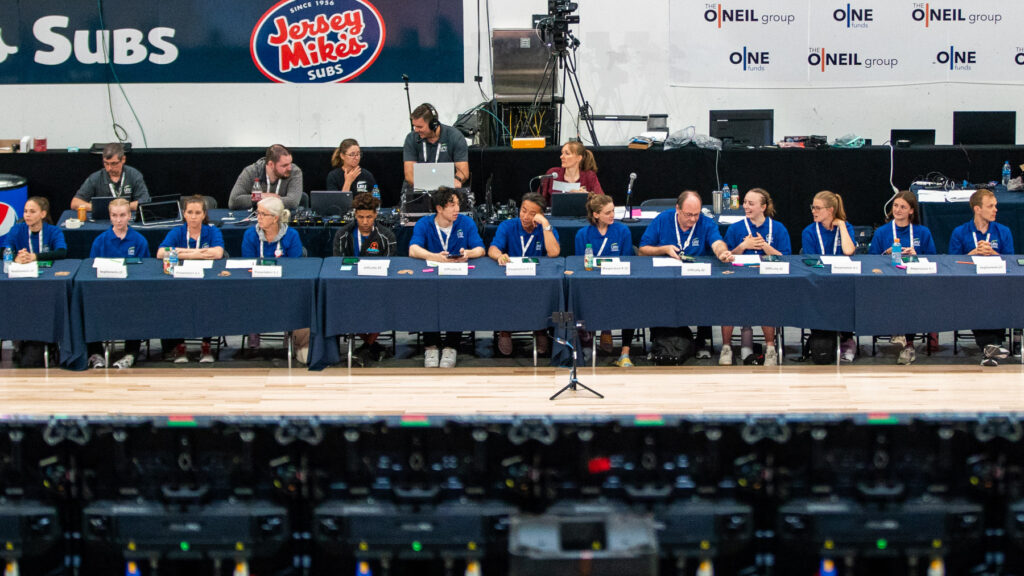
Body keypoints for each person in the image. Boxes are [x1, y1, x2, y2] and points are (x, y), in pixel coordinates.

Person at [639, 190, 735, 359]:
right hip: (665, 275)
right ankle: (659, 340)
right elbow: (643, 250)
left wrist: (722, 253)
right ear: (678, 209)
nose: (692, 219)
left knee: (706, 290)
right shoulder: (662, 220)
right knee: (652, 291)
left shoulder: (705, 222)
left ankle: (701, 340)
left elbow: (717, 242)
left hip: (696, 276)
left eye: (696, 215)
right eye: (688, 215)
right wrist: (664, 249)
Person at [408, 187, 485, 368]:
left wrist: (468, 253)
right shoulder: (424, 224)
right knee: (426, 298)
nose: (456, 209)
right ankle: (431, 346)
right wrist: (434, 256)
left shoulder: (466, 223)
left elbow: (480, 249)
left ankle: (451, 345)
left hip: (457, 278)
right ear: (439, 208)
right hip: (431, 278)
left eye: (457, 204)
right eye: (451, 205)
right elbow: (413, 249)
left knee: (457, 299)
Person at [720, 188, 792, 366]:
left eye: (751, 203)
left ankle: (770, 348)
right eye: (745, 202)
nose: (746, 206)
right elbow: (726, 256)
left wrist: (765, 247)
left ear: (763, 207)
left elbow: (786, 258)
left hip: (767, 280)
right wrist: (743, 245)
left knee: (766, 299)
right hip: (739, 278)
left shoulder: (778, 228)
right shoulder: (735, 228)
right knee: (726, 299)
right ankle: (726, 347)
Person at [868, 190, 937, 365]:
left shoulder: (923, 232)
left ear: (911, 211)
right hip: (887, 282)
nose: (898, 210)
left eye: (903, 207)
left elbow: (935, 260)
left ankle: (907, 342)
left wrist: (916, 255)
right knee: (898, 294)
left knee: (909, 295)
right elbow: (870, 260)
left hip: (915, 284)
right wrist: (887, 253)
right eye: (895, 206)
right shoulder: (882, 232)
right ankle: (903, 338)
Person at [948, 188, 1014, 366]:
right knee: (976, 299)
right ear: (977, 209)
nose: (995, 210)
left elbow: (1011, 262)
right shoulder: (960, 232)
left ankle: (990, 349)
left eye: (995, 206)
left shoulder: (1003, 231)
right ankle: (993, 347)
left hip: (997, 285)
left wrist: (993, 253)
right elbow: (951, 264)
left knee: (996, 298)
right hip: (970, 286)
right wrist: (971, 254)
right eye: (990, 206)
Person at [488, 192, 560, 356]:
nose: (526, 216)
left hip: (536, 279)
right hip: (512, 278)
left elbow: (554, 252)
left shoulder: (546, 229)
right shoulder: (508, 226)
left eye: (532, 213)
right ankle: (505, 330)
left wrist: (545, 225)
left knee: (543, 293)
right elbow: (492, 249)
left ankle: (540, 329)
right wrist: (499, 255)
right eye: (523, 210)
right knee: (503, 291)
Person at [156, 195, 226, 364]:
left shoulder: (212, 231)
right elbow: (160, 253)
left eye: (197, 212)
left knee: (208, 302)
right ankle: (179, 347)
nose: (193, 216)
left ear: (204, 214)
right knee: (174, 302)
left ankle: (206, 346)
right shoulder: (177, 232)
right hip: (180, 281)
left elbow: (218, 253)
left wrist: (180, 253)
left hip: (205, 282)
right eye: (190, 212)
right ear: (184, 214)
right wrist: (195, 253)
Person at [241, 196, 309, 364]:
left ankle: (291, 338)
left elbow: (295, 265)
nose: (259, 217)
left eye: (263, 214)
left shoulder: (291, 235)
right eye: (258, 213)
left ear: (275, 218)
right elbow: (248, 262)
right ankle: (253, 339)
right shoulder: (250, 234)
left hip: (284, 286)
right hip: (257, 285)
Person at [333, 192, 397, 365]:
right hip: (349, 286)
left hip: (378, 287)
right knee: (340, 305)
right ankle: (372, 347)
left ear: (376, 215)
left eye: (369, 217)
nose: (365, 221)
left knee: (386, 302)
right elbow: (337, 264)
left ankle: (366, 347)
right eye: (361, 217)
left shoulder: (387, 237)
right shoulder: (342, 235)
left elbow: (390, 266)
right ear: (355, 215)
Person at [87, 198, 150, 370]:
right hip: (104, 293)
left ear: (129, 216)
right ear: (110, 216)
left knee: (137, 308)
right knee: (88, 306)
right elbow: (91, 269)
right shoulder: (100, 241)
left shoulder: (139, 241)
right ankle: (96, 353)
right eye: (114, 216)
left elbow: (146, 269)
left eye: (122, 215)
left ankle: (131, 353)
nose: (118, 220)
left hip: (131, 294)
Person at [575, 193, 636, 367]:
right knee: (585, 296)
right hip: (593, 283)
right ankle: (587, 339)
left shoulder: (622, 231)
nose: (612, 215)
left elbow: (627, 259)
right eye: (608, 212)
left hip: (617, 281)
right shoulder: (583, 234)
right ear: (596, 214)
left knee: (630, 300)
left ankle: (624, 353)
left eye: (613, 211)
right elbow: (582, 264)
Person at [801, 190, 858, 362]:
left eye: (818, 208)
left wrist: (841, 226)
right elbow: (811, 261)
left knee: (848, 295)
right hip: (819, 280)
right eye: (813, 207)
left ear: (830, 210)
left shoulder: (846, 227)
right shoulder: (809, 232)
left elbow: (848, 251)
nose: (813, 211)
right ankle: (822, 339)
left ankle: (848, 340)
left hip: (841, 280)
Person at [403, 103, 469, 188]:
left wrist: (457, 180)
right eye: (414, 126)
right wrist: (430, 188)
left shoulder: (455, 136)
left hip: (446, 190)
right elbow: (409, 175)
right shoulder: (411, 138)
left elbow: (463, 172)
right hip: (419, 189)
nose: (416, 130)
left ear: (433, 124)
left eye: (420, 127)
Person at [71, 142, 150, 212]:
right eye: (106, 163)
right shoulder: (96, 177)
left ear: (123, 159)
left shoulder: (134, 175)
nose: (109, 168)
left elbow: (144, 201)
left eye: (113, 164)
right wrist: (102, 208)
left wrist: (121, 208)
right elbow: (75, 203)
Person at [228, 144, 304, 211]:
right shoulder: (251, 171)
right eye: (284, 165)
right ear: (271, 164)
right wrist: (261, 196)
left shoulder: (295, 172)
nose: (289, 168)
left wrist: (259, 199)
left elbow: (293, 202)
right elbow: (234, 201)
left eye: (290, 163)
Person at [4, 196, 67, 263]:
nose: (27, 215)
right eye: (25, 211)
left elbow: (61, 252)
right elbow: (4, 250)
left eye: (32, 212)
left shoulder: (54, 231)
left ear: (43, 214)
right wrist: (15, 258)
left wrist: (34, 256)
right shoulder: (16, 229)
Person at [539, 141, 604, 202]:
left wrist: (587, 195)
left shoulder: (589, 175)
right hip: (555, 213)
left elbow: (602, 201)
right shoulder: (553, 173)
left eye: (567, 153)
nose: (561, 156)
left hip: (582, 213)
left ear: (579, 158)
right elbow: (539, 200)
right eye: (562, 153)